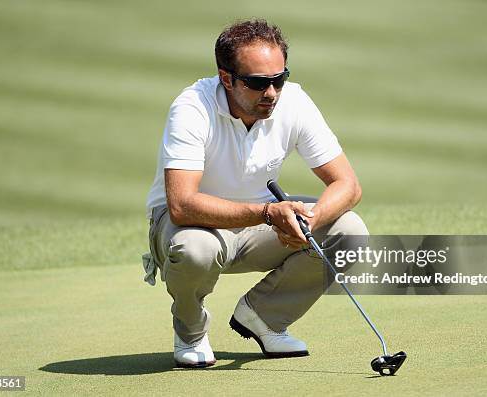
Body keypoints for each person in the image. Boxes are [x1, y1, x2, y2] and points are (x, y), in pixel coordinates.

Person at [143, 19, 369, 368]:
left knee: (349, 231)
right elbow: (182, 205)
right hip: (191, 228)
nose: (272, 92)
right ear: (226, 78)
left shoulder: (293, 101)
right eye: (258, 83)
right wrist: (267, 215)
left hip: (261, 226)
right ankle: (190, 331)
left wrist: (309, 220)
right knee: (194, 250)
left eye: (279, 79)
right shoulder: (191, 107)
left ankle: (263, 317)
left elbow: (348, 185)